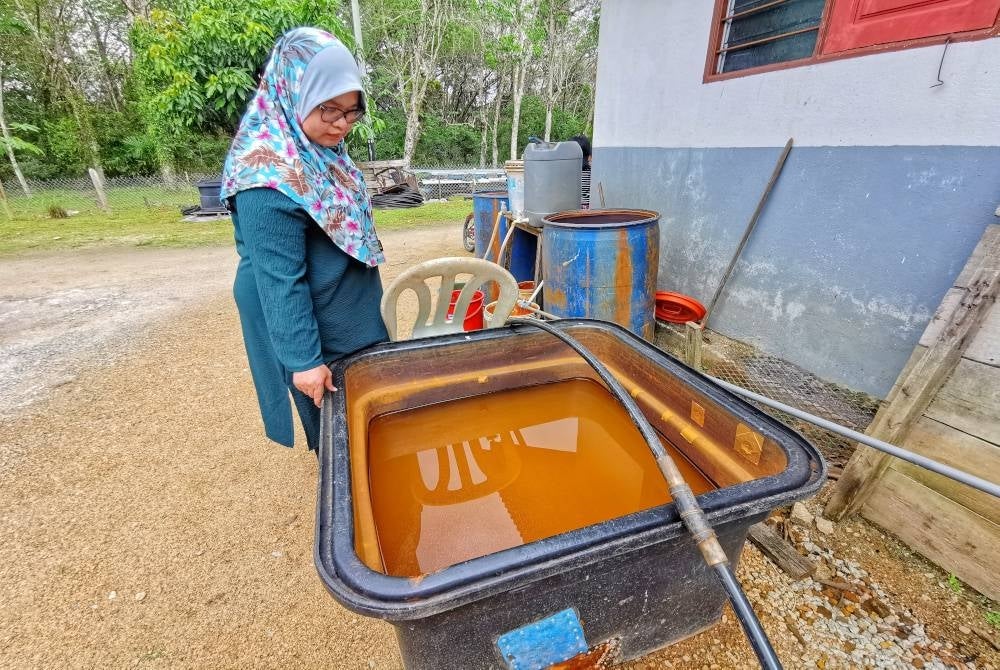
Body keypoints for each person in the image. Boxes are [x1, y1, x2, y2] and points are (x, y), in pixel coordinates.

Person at [221, 27, 388, 452]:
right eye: (329, 109)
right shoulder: (266, 175)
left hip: (347, 301)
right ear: (293, 91)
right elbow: (280, 280)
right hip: (314, 319)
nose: (341, 125)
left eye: (352, 112)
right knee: (338, 425)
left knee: (371, 408)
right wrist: (304, 361)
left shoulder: (322, 153)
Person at [570, 135, 592, 209]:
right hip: (587, 210)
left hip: (570, 209)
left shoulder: (567, 173)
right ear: (589, 155)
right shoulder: (591, 173)